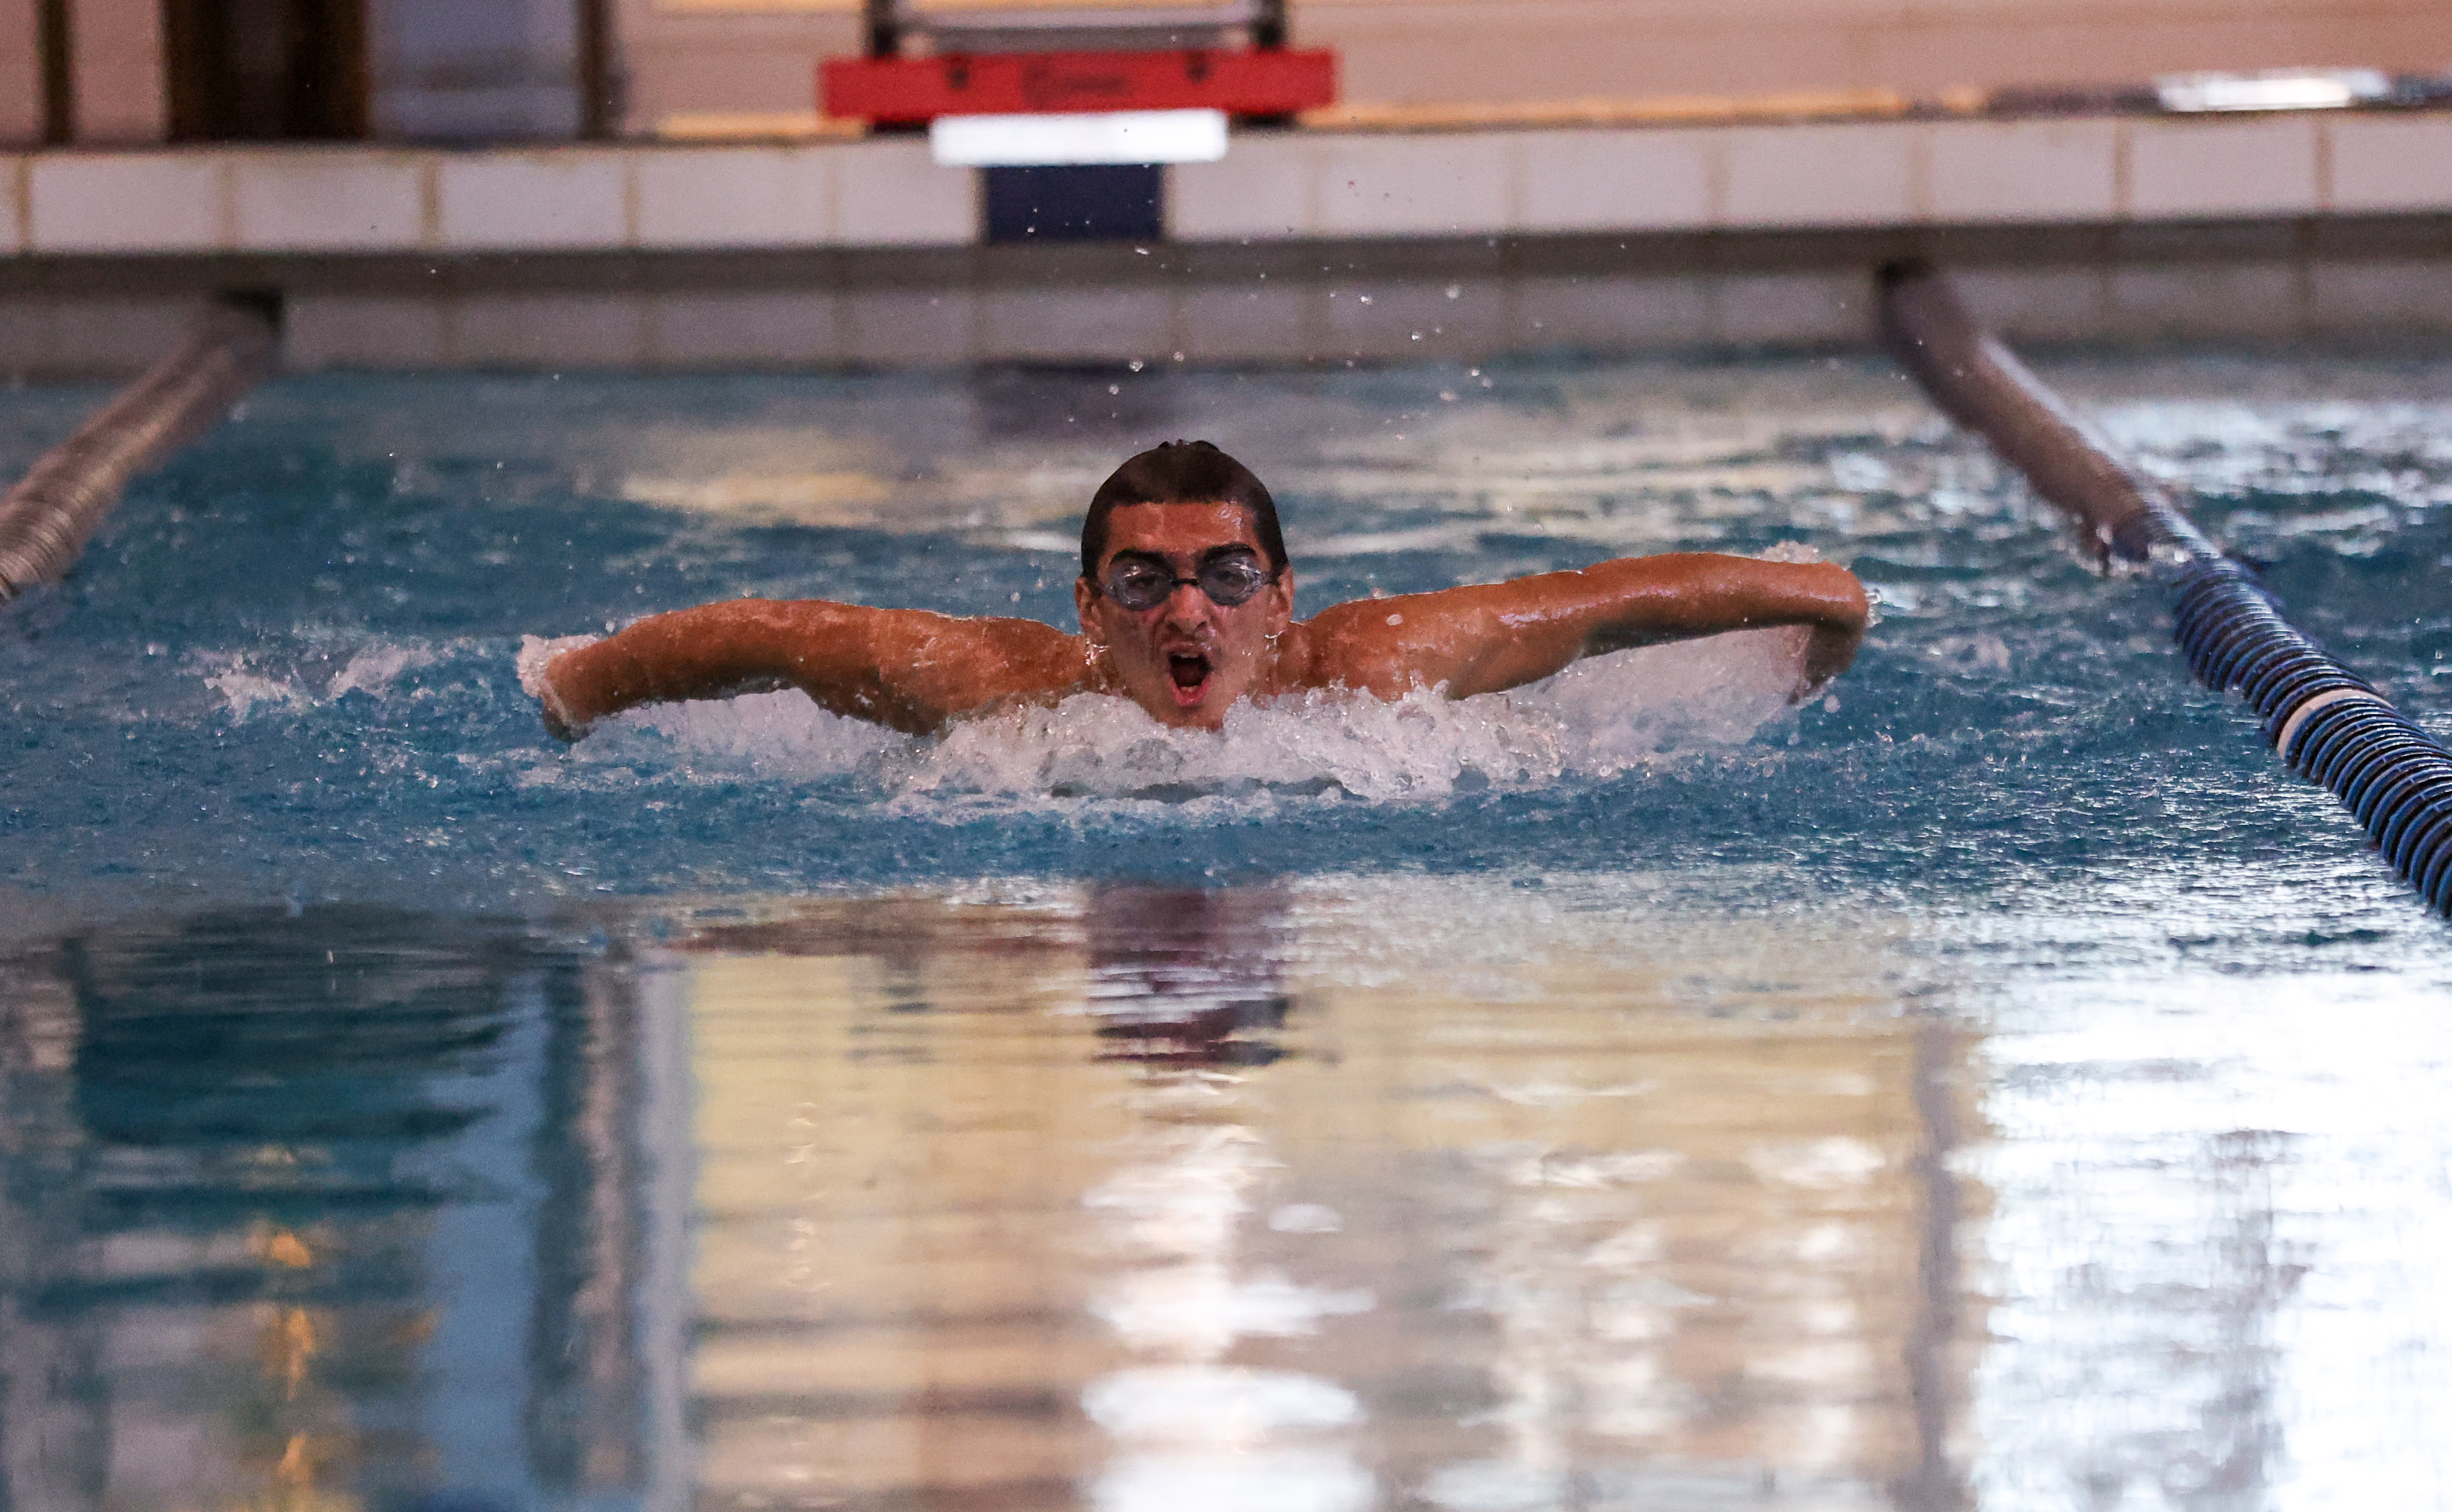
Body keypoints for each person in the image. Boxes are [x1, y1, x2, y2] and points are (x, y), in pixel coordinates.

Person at [531, 440, 1869, 740]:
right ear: (1086, 607)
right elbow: (768, 633)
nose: (1187, 614)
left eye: (1227, 576)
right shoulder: (999, 690)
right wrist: (574, 687)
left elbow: (1617, 596)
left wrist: (1825, 609)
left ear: (1281, 595)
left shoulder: (1377, 666)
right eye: (1144, 581)